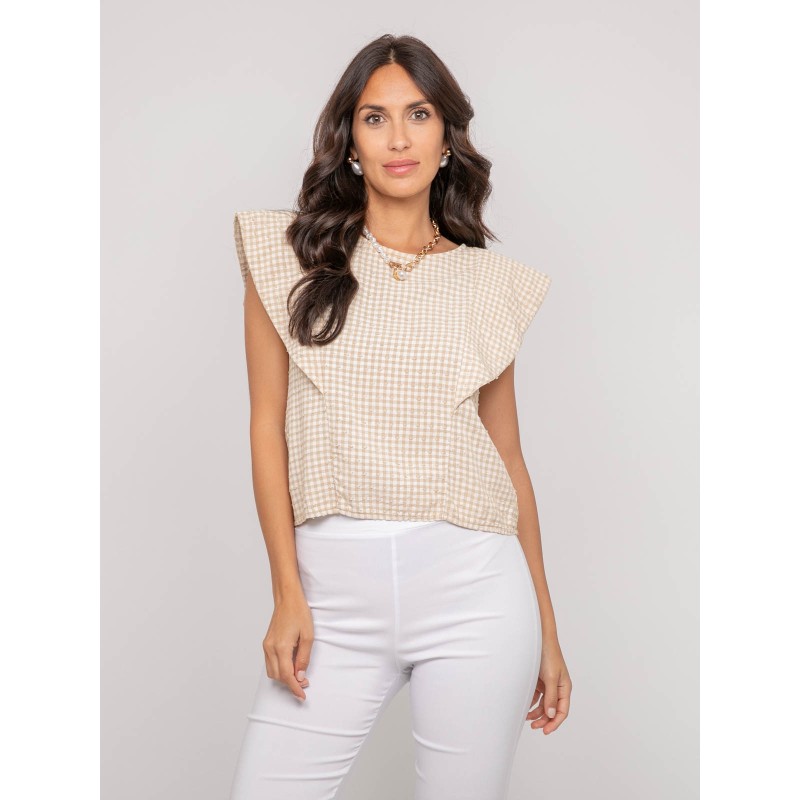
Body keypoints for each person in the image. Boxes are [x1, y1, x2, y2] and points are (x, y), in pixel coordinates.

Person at [229, 33, 572, 800]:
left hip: (476, 591)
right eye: (374, 117)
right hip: (330, 599)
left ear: (446, 137)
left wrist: (547, 631)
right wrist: (286, 593)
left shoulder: (486, 285)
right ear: (350, 142)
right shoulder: (288, 258)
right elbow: (266, 428)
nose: (397, 138)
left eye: (418, 114)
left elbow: (508, 458)